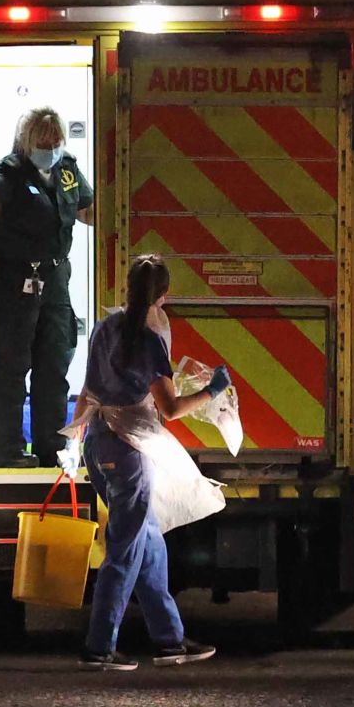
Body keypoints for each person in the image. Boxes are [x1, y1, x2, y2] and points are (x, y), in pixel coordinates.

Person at [73, 254, 231, 671]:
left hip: (99, 443)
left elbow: (87, 390)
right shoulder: (150, 339)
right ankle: (98, 647)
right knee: (124, 550)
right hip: (130, 451)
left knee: (149, 542)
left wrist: (74, 437)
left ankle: (170, 641)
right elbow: (172, 408)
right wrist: (214, 391)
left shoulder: (106, 327)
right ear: (165, 295)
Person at [0, 107, 94, 468]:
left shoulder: (67, 170)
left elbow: (86, 210)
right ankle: (8, 452)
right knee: (10, 369)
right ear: (27, 142)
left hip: (54, 282)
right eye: (43, 143)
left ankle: (49, 447)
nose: (50, 148)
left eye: (55, 142)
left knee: (54, 366)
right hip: (12, 285)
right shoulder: (10, 171)